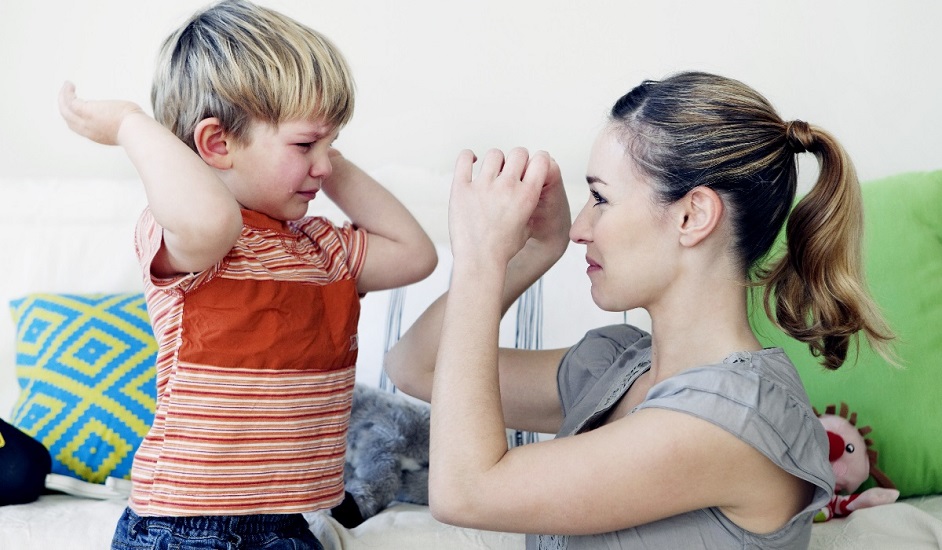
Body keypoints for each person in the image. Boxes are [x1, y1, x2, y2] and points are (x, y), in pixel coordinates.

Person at [384, 71, 894, 549]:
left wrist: (480, 258)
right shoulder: (620, 365)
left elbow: (464, 492)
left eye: (600, 198)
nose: (580, 227)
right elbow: (414, 366)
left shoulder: (732, 421)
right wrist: (534, 252)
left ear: (693, 215)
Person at [58, 1, 437, 548]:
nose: (326, 166)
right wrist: (130, 125)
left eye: (332, 145)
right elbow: (214, 218)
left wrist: (316, 145)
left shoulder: (320, 248)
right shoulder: (188, 234)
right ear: (217, 144)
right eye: (307, 145)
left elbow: (414, 254)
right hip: (184, 527)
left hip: (291, 524)